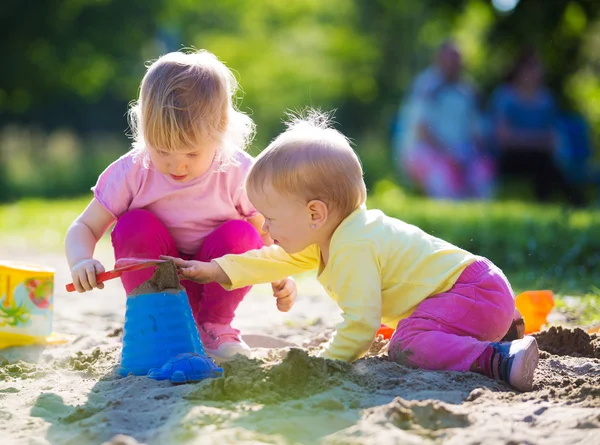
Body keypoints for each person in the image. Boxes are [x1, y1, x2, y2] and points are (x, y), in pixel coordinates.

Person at [165, 110, 539, 392]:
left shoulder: (353, 245)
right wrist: (217, 270)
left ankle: (496, 358)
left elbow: (360, 326)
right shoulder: (330, 237)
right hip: (479, 294)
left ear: (315, 213)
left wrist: (323, 364)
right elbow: (274, 260)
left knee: (406, 341)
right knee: (410, 332)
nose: (264, 227)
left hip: (472, 293)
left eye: (272, 217)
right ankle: (499, 330)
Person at [65, 50, 297, 361]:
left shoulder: (239, 173)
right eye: (161, 150)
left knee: (242, 234)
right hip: (157, 282)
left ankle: (214, 327)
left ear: (220, 131)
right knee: (133, 225)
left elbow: (267, 233)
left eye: (191, 154)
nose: (177, 166)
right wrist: (81, 260)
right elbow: (85, 226)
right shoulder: (132, 171)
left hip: (214, 282)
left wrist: (281, 273)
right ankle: (157, 324)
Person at [397, 41, 495, 200]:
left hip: (461, 153)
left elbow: (477, 132)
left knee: (482, 171)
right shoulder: (425, 86)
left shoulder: (468, 90)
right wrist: (449, 155)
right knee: (444, 178)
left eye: (457, 60)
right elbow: (422, 131)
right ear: (438, 59)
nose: (453, 64)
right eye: (449, 59)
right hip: (426, 151)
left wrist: (468, 155)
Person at [489, 50, 586, 205]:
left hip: (540, 157)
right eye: (530, 68)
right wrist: (538, 140)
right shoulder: (505, 97)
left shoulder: (546, 99)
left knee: (545, 162)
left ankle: (553, 202)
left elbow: (553, 137)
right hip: (510, 158)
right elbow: (503, 138)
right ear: (519, 71)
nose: (535, 73)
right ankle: (573, 202)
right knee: (543, 162)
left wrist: (526, 139)